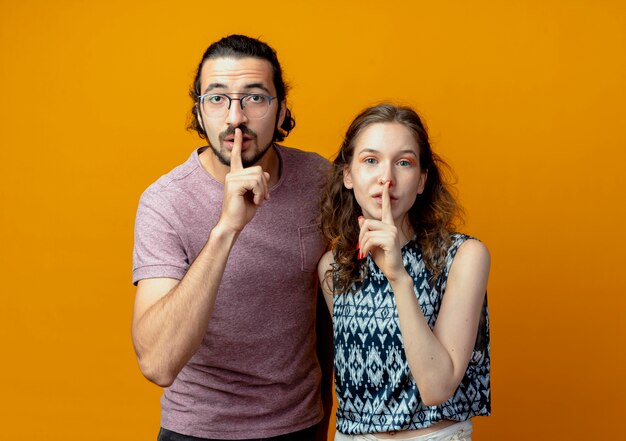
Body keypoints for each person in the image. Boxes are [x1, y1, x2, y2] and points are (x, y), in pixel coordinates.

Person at [131, 34, 332, 441]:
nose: (235, 118)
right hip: (198, 429)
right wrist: (227, 228)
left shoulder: (319, 180)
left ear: (281, 112)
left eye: (255, 98)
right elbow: (157, 363)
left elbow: (338, 305)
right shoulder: (165, 202)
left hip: (300, 424)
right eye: (217, 98)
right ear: (199, 113)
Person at [318, 104, 490, 441]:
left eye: (404, 162)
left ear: (422, 179)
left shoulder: (464, 257)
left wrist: (399, 278)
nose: (387, 178)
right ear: (348, 176)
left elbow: (436, 388)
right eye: (370, 160)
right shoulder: (333, 266)